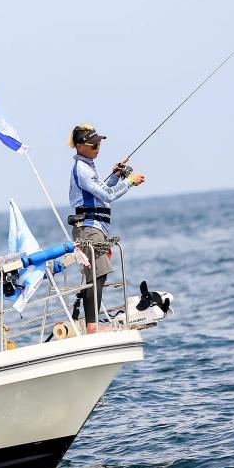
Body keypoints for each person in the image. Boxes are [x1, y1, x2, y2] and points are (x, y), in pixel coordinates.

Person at [68, 124, 145, 333]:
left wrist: (115, 175)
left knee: (97, 275)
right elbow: (108, 195)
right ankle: (93, 327)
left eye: (99, 144)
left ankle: (91, 325)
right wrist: (129, 182)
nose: (98, 148)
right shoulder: (82, 169)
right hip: (89, 229)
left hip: (95, 228)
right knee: (97, 275)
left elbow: (101, 190)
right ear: (80, 146)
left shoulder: (87, 167)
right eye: (93, 145)